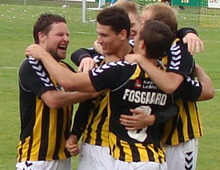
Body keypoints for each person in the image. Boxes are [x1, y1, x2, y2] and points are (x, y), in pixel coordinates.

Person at [26, 18, 180, 170]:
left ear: (141, 44)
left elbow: (68, 81)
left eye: (103, 35)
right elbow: (175, 107)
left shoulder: (119, 70)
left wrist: (42, 54)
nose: (98, 40)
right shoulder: (166, 76)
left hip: (129, 160)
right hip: (157, 158)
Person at [121, 3, 214, 170]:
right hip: (150, 139)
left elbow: (205, 92)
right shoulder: (140, 47)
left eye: (144, 22)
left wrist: (196, 69)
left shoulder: (177, 51)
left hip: (179, 139)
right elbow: (95, 48)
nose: (140, 26)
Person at [16, 13, 96, 170]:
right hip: (36, 159)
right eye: (60, 34)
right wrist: (93, 91)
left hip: (63, 158)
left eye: (67, 34)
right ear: (42, 36)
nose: (66, 39)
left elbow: (85, 97)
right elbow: (53, 100)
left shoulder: (64, 69)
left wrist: (74, 136)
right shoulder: (31, 65)